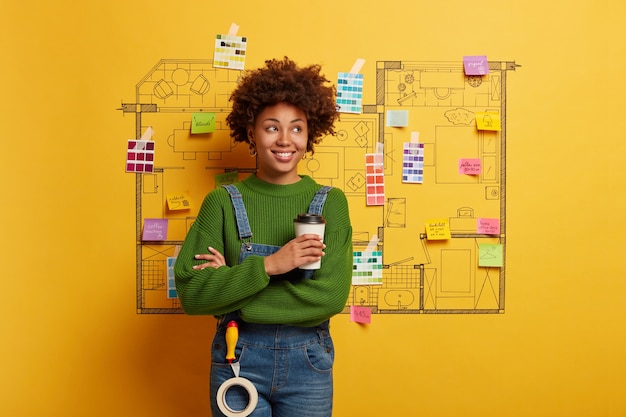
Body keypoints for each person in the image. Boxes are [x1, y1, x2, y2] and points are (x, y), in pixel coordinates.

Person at [174, 57, 353, 417]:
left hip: (309, 361)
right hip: (236, 355)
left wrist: (231, 295)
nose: (285, 140)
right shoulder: (221, 203)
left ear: (310, 134)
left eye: (297, 128)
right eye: (272, 127)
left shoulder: (331, 203)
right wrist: (272, 264)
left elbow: (330, 297)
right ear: (251, 130)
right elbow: (192, 293)